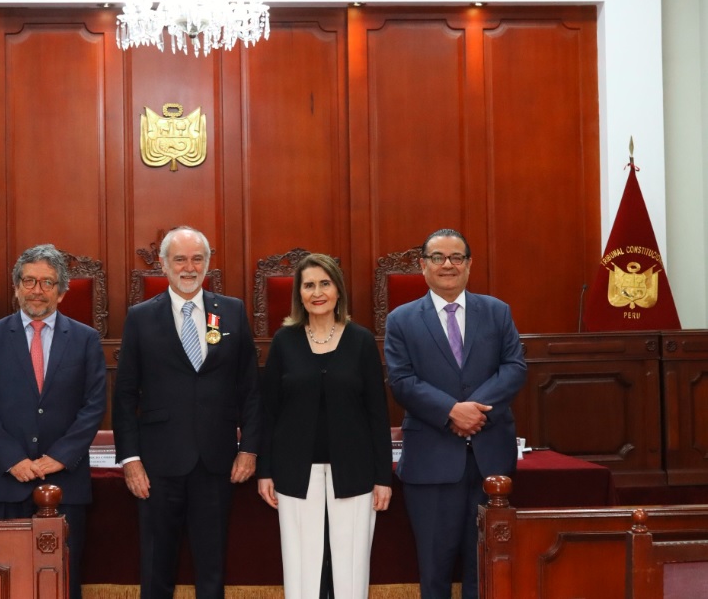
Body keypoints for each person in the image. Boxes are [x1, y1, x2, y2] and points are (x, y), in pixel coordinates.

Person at [112, 226, 262, 599]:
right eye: (179, 259)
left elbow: (250, 389)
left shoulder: (231, 311)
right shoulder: (141, 317)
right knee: (156, 566)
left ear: (208, 263)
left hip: (217, 461)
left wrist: (250, 448)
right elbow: (126, 393)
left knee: (212, 568)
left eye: (197, 258)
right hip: (158, 464)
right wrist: (130, 458)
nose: (189, 267)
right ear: (163, 265)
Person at [383, 229, 527, 599]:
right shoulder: (401, 319)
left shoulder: (497, 311)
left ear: (469, 264)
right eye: (438, 257)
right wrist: (451, 412)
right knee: (434, 568)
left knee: (487, 564)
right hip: (431, 461)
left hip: (490, 461)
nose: (447, 265)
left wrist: (473, 410)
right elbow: (401, 380)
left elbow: (514, 368)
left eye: (456, 257)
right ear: (423, 265)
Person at [0, 244, 106, 599]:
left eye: (47, 282)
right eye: (29, 281)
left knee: (62, 576)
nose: (37, 290)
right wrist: (12, 459)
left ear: (61, 292)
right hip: (6, 479)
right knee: (6, 578)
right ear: (16, 288)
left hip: (65, 480)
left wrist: (60, 457)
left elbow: (93, 405)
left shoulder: (86, 338)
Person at [257, 253, 393, 599]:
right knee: (302, 569)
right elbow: (268, 411)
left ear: (338, 290)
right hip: (294, 473)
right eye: (308, 285)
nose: (317, 292)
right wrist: (265, 471)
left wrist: (383, 477)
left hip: (356, 473)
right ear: (299, 294)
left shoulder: (361, 341)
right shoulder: (284, 341)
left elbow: (378, 413)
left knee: (351, 567)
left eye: (324, 283)